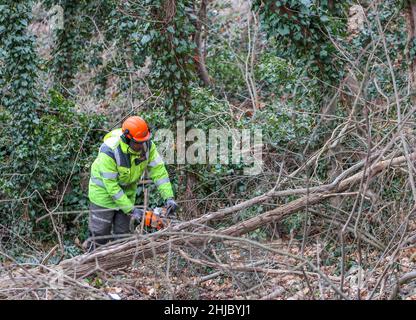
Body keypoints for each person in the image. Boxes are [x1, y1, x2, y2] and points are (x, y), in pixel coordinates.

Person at [85, 116, 177, 251]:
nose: (141, 146)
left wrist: (169, 198)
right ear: (127, 138)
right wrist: (132, 210)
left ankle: (118, 268)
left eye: (144, 141)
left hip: (127, 196)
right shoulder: (109, 151)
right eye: (137, 143)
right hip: (103, 196)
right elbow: (112, 187)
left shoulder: (147, 146)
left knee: (123, 236)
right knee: (99, 235)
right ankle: (91, 267)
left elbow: (159, 172)